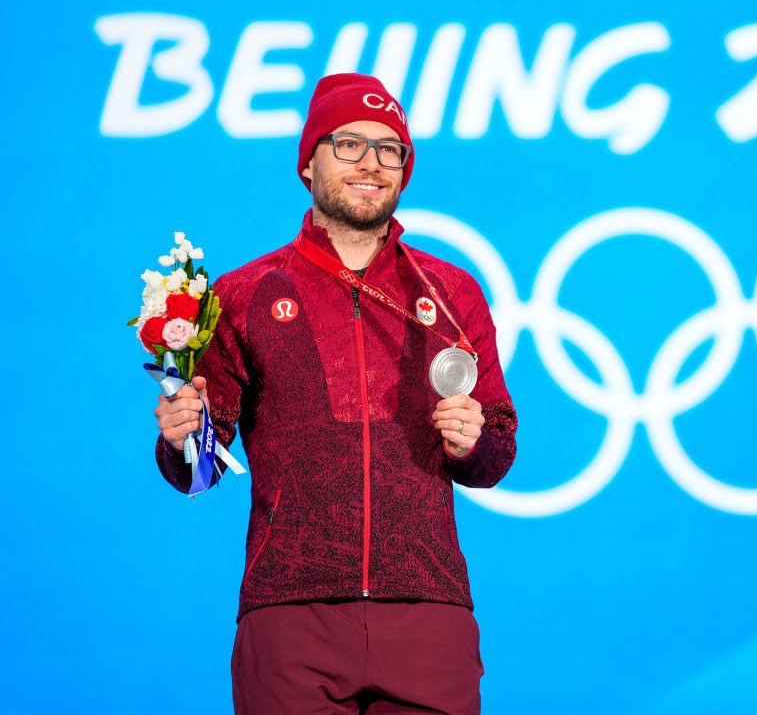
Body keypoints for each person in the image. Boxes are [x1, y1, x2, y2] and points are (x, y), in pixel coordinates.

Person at [152, 72, 518, 715]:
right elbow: (200, 471)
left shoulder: (452, 294)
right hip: (291, 613)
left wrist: (474, 442)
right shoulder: (243, 296)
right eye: (348, 144)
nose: (371, 163)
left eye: (389, 149)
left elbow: (497, 454)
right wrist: (181, 437)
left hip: (426, 609)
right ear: (308, 162)